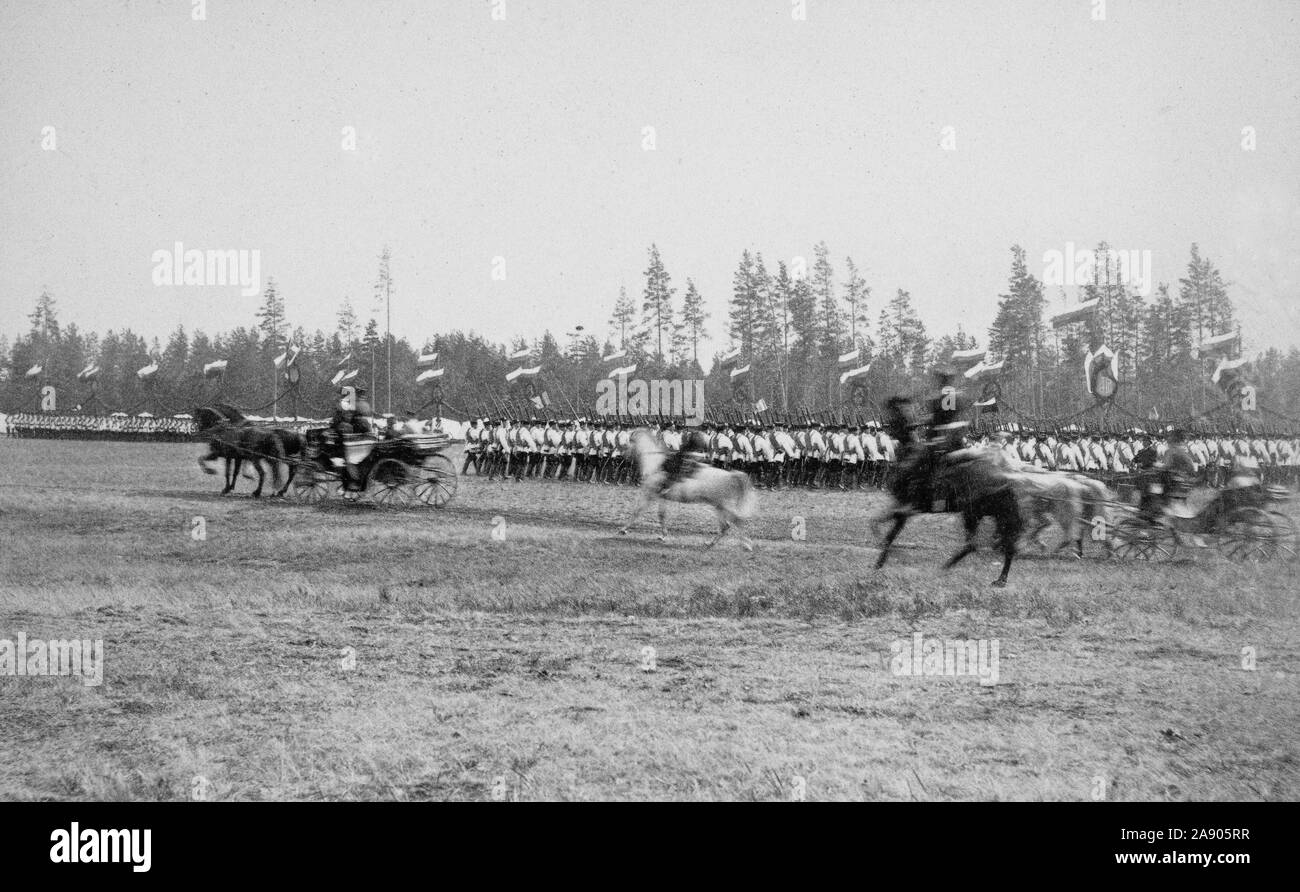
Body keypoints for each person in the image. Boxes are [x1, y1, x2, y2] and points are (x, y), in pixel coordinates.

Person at [659, 426, 708, 493]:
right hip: (697, 453)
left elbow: (689, 446)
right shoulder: (698, 435)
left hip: (690, 454)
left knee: (676, 464)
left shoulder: (694, 435)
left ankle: (668, 485)